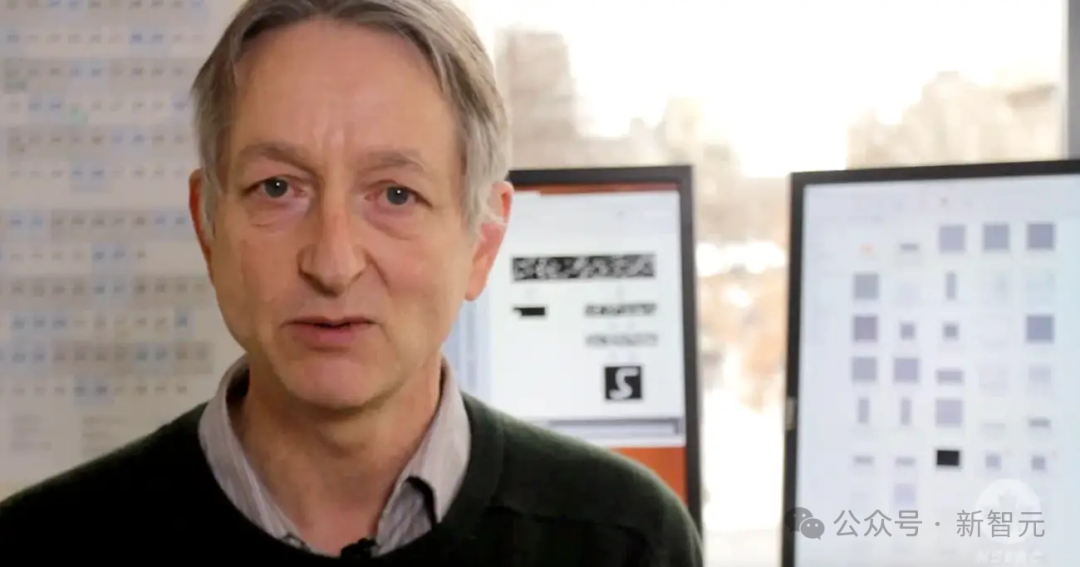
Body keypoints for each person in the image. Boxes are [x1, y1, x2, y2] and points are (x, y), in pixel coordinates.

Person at [0, 0, 702, 564]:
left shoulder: (625, 540)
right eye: (278, 187)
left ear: (483, 240)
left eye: (395, 194)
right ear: (207, 224)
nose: (332, 264)